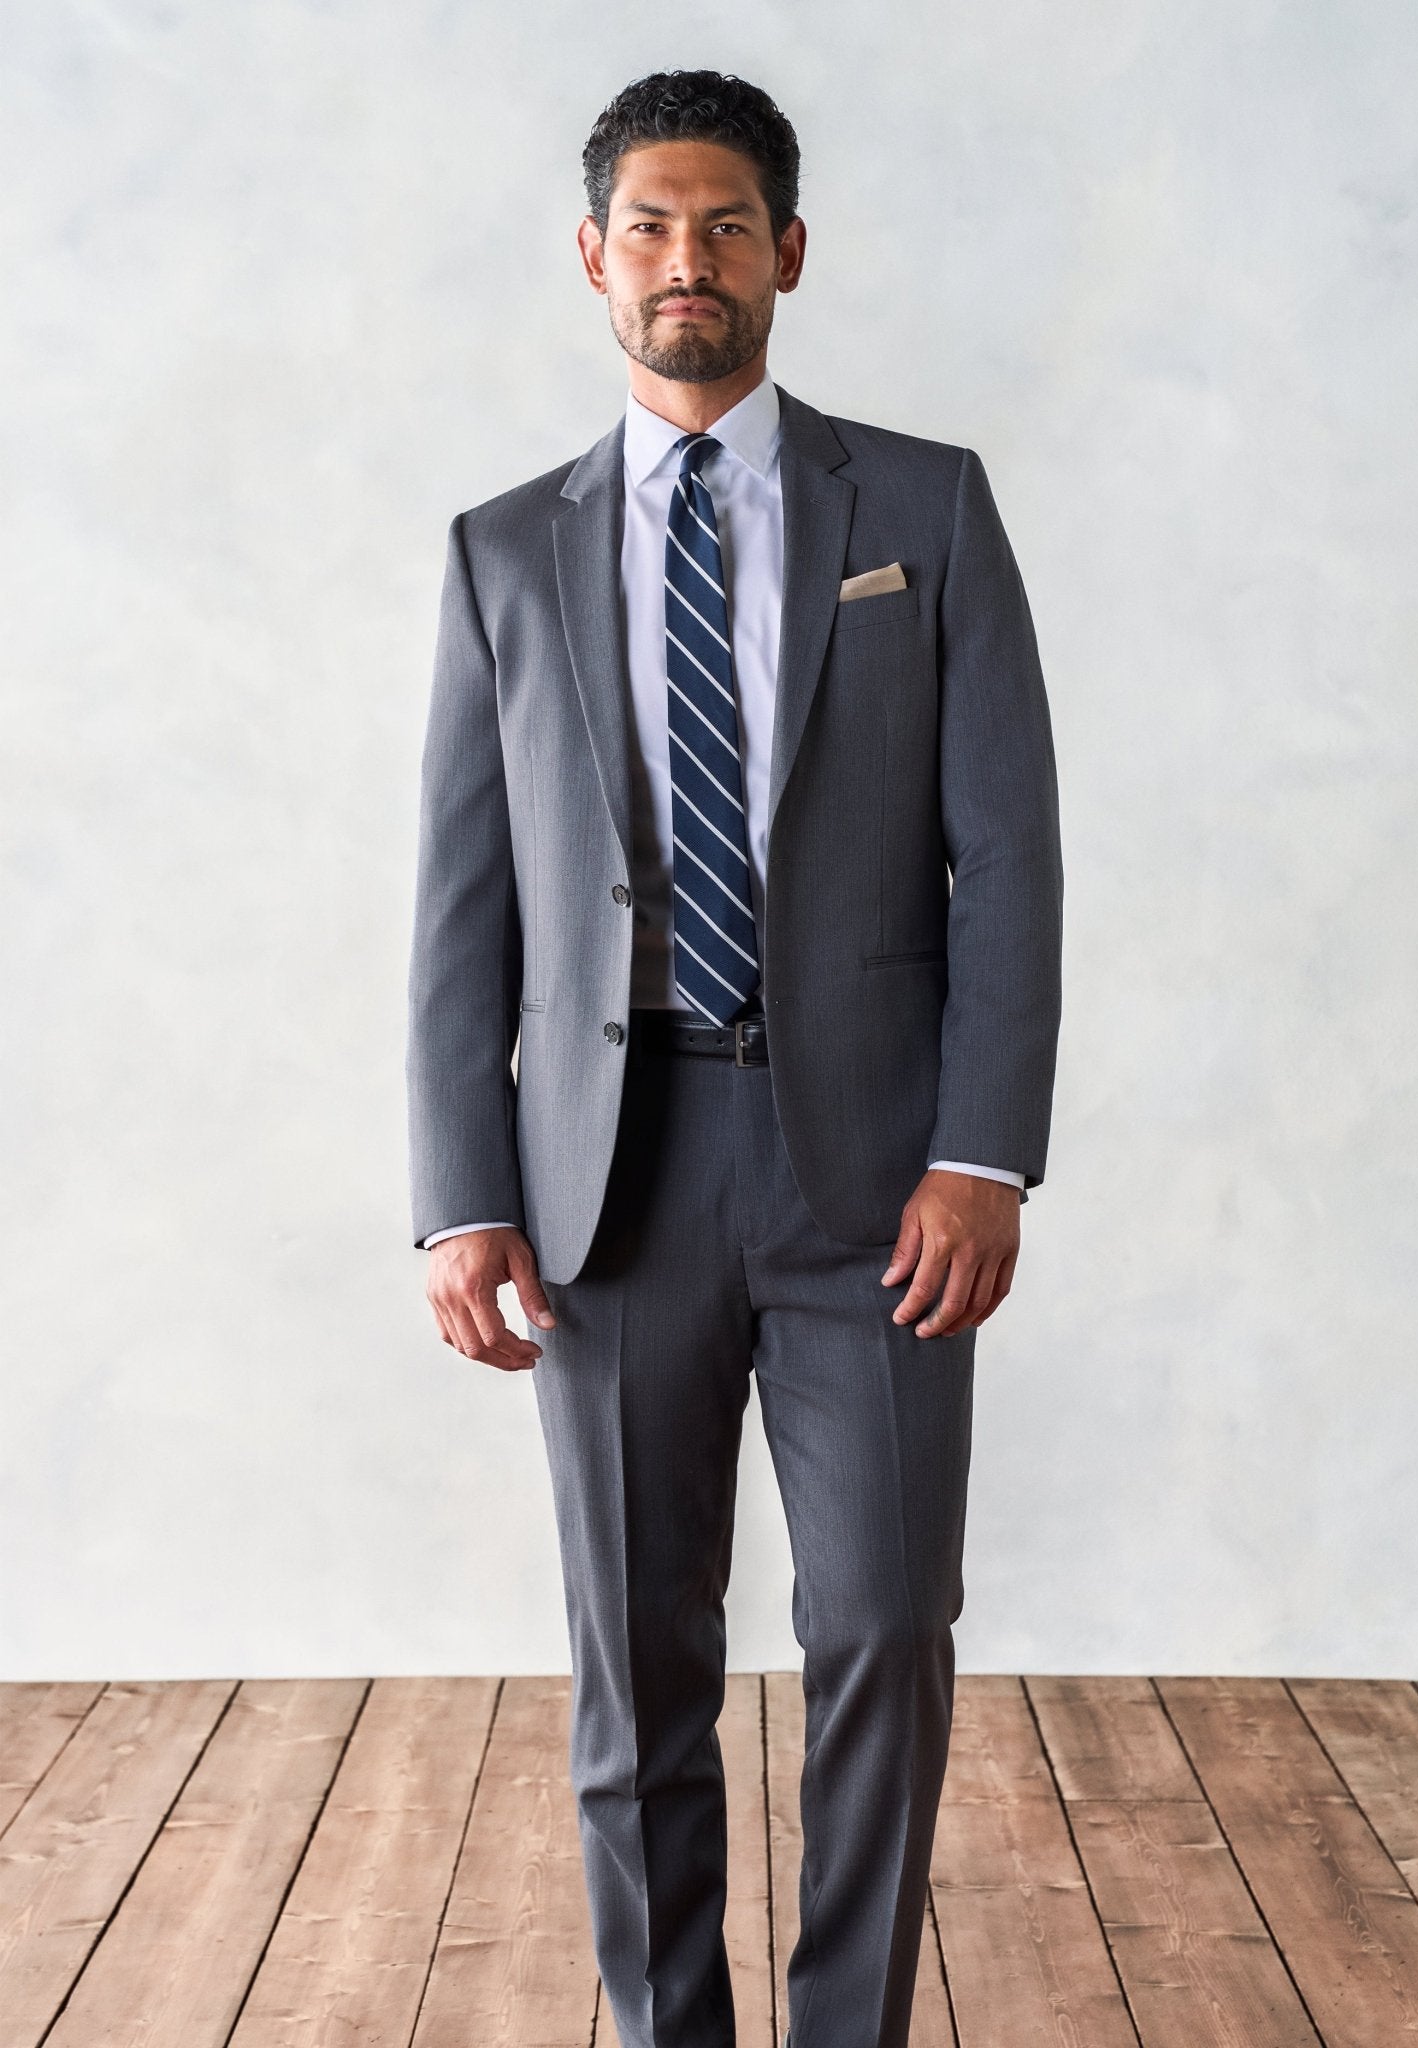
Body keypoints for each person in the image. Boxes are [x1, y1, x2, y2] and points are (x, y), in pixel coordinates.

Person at [406, 67, 1063, 2048]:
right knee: (639, 1658)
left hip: (872, 1171)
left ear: (788, 251)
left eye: (724, 226)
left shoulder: (921, 507)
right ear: (592, 261)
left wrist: (988, 1149)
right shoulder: (503, 552)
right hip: (609, 1177)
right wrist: (460, 1190)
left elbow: (1009, 854)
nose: (685, 263)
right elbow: (464, 909)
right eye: (649, 228)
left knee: (880, 1629)